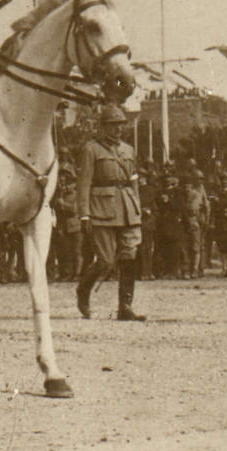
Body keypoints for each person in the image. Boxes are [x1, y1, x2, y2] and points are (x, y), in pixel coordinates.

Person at [75, 104, 145, 321]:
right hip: (101, 208)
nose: (118, 129)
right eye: (113, 125)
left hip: (127, 207)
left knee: (129, 255)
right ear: (103, 127)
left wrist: (137, 209)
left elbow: (133, 182)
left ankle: (125, 307)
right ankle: (83, 291)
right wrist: (84, 214)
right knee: (105, 261)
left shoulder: (128, 150)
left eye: (121, 125)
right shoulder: (91, 149)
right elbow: (84, 183)